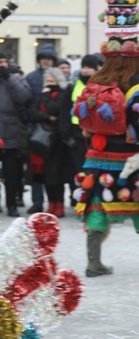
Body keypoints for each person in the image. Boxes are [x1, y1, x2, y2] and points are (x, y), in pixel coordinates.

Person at [73, 0, 139, 277]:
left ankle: (93, 260)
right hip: (128, 156)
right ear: (136, 53)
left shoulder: (98, 79)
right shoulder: (136, 83)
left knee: (98, 204)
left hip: (98, 155)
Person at [60, 54, 101, 208]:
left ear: (96, 69)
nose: (86, 70)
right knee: (78, 169)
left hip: (96, 134)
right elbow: (64, 112)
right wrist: (66, 135)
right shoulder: (73, 86)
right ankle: (79, 199)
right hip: (77, 134)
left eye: (89, 67)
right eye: (84, 67)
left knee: (94, 169)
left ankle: (94, 199)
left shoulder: (101, 86)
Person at [28, 68, 69, 217]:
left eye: (52, 81)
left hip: (56, 139)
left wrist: (46, 99)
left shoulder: (61, 95)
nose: (49, 84)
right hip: (42, 139)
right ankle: (51, 203)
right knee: (45, 175)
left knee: (56, 174)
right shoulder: (42, 95)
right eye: (48, 81)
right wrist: (47, 116)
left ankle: (59, 204)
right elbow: (32, 113)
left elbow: (56, 110)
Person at [25, 43, 58, 213]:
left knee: (52, 169)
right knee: (36, 168)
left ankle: (54, 202)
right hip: (36, 128)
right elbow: (28, 103)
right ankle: (37, 202)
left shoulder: (59, 77)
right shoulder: (31, 77)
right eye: (43, 58)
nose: (46, 61)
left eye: (49, 58)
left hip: (54, 131)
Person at [0, 54, 31, 217]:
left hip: (9, 131)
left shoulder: (14, 79)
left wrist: (9, 79)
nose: (3, 65)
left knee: (11, 173)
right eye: (0, 63)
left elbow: (24, 97)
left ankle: (12, 204)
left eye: (5, 62)